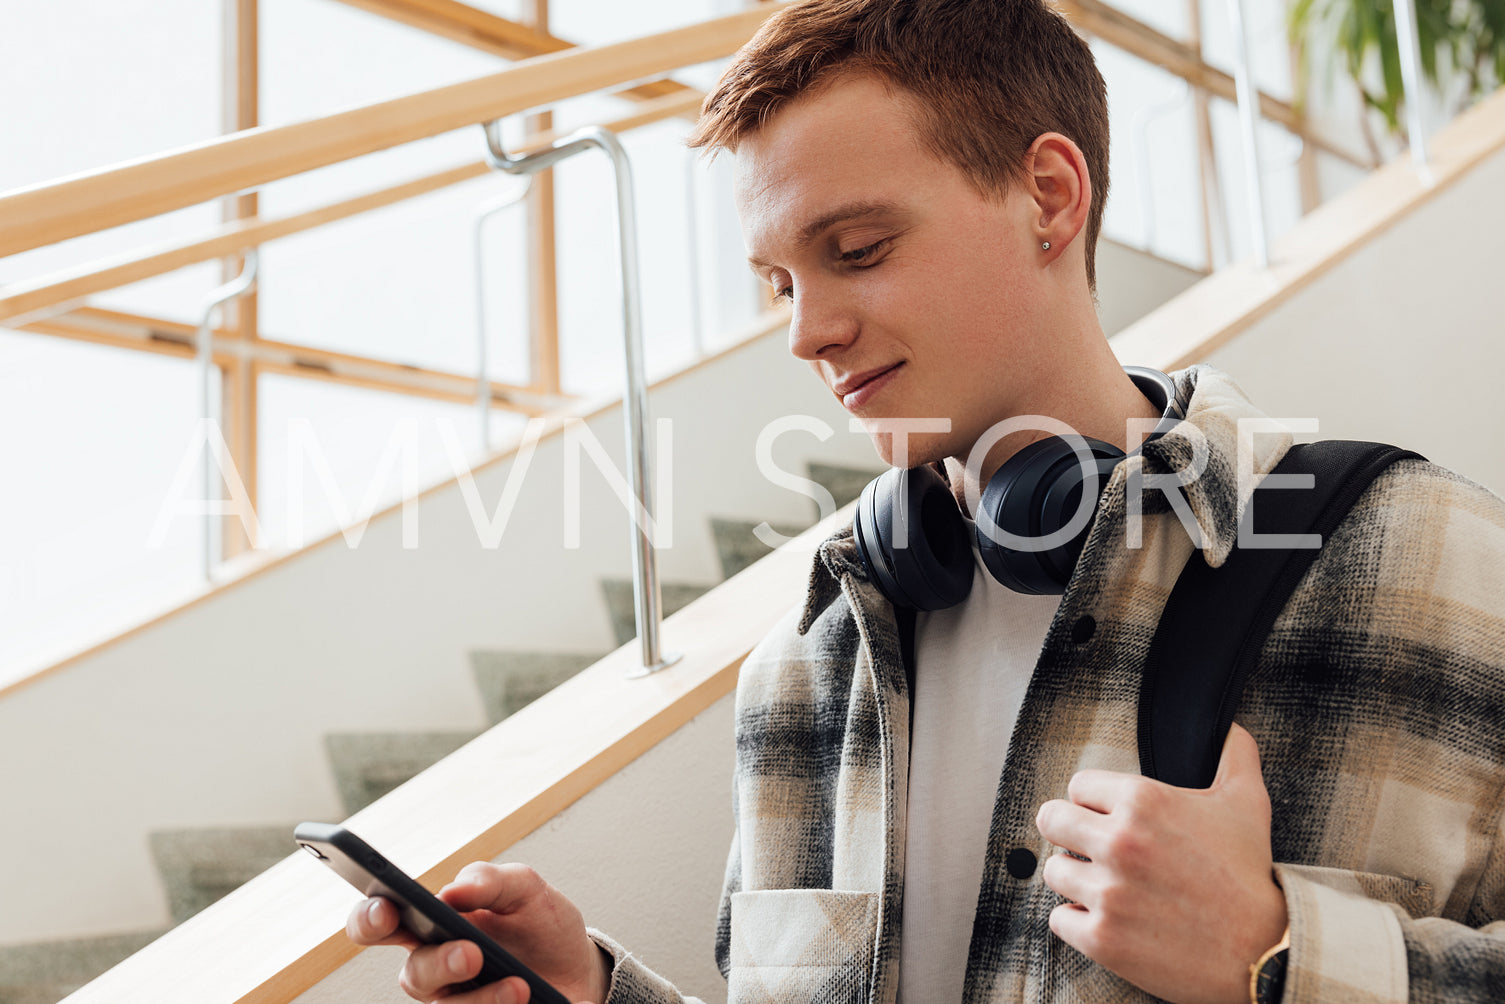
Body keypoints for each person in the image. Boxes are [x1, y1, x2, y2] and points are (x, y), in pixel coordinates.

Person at [347, 0, 1505, 1001]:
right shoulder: (809, 658)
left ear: (1048, 197)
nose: (805, 332)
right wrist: (588, 992)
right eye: (779, 284)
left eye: (854, 247)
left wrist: (1276, 954)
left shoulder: (1425, 554)